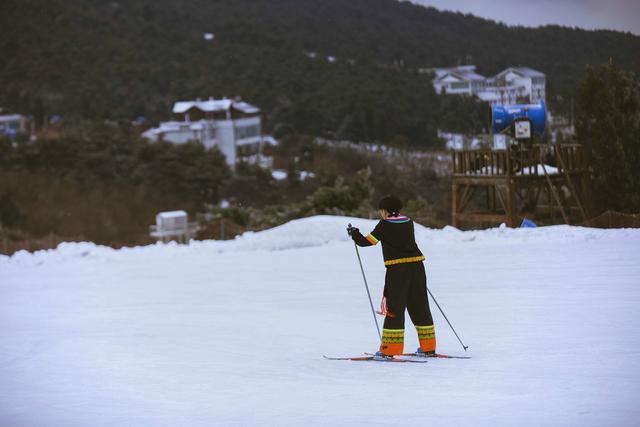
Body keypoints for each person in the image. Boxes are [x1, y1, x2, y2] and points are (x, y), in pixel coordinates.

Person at [347, 196, 436, 356]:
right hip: (417, 268)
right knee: (419, 306)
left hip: (397, 271)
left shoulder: (385, 224)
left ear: (385, 210)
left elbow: (369, 241)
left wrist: (355, 234)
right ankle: (428, 347)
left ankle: (390, 349)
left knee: (395, 307)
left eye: (381, 210)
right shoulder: (408, 221)